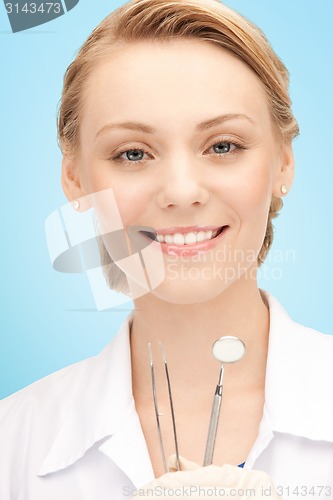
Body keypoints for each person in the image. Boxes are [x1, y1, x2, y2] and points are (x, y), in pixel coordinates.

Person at [1, 0, 333, 498]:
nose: (181, 191)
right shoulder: (13, 443)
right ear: (75, 178)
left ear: (283, 163)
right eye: (133, 153)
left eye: (223, 146)